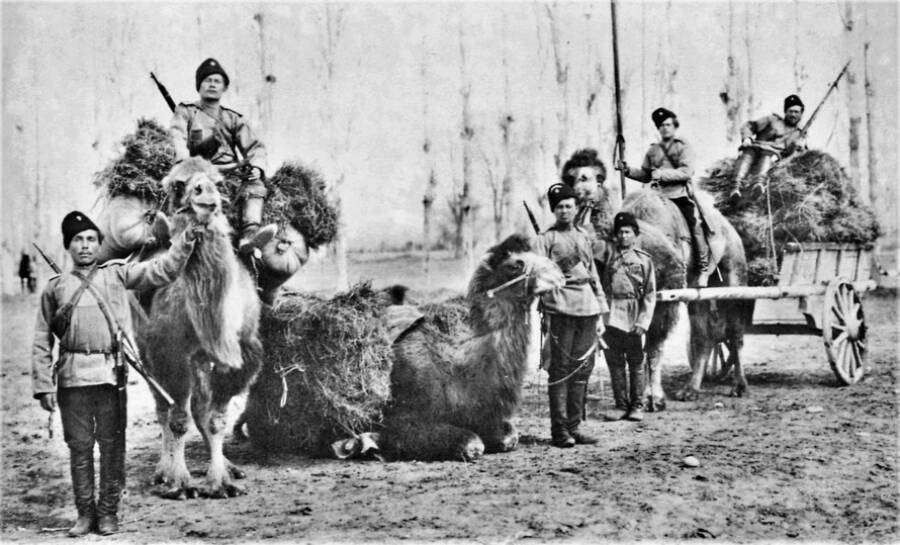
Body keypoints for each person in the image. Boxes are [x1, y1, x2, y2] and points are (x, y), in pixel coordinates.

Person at [32, 211, 198, 536]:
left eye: (91, 239)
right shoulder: (56, 288)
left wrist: (185, 242)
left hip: (110, 376)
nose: (85, 246)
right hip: (71, 379)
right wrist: (43, 386)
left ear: (99, 244)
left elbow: (162, 269)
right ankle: (84, 515)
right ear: (68, 246)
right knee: (79, 449)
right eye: (78, 240)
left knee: (112, 448)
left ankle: (108, 514)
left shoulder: (118, 274)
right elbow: (41, 339)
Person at [169, 57, 276, 254]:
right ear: (199, 85)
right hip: (199, 173)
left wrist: (256, 167)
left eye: (217, 81)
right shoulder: (186, 112)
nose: (212, 84)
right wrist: (186, 164)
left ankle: (250, 235)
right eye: (207, 80)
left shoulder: (232, 118)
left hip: (230, 173)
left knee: (255, 186)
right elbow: (177, 136)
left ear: (224, 87)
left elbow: (255, 147)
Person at [535, 183, 609, 448]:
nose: (564, 210)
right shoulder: (546, 239)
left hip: (587, 307)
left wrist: (600, 309)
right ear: (554, 211)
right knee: (560, 370)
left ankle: (575, 427)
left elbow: (593, 274)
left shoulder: (583, 236)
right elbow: (540, 277)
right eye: (559, 207)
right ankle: (559, 431)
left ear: (576, 208)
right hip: (561, 307)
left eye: (568, 205)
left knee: (582, 369)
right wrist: (548, 304)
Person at [615, 107, 711, 287]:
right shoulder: (653, 151)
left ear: (674, 126)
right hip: (655, 197)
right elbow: (645, 174)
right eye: (661, 126)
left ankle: (703, 268)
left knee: (695, 225)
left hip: (677, 196)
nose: (664, 128)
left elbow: (686, 172)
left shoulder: (683, 146)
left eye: (668, 124)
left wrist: (662, 174)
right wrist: (627, 170)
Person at [601, 212, 656, 422]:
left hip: (633, 313)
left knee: (635, 361)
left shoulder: (644, 260)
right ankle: (620, 405)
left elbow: (650, 294)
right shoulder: (609, 257)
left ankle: (637, 405)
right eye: (620, 232)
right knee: (614, 361)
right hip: (612, 313)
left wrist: (644, 321)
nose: (624, 236)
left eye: (628, 232)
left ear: (635, 235)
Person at [729, 94, 807, 201]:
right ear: (785, 112)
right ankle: (735, 188)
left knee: (767, 157)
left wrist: (798, 147)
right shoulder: (772, 120)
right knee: (747, 155)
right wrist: (747, 138)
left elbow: (797, 153)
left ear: (801, 114)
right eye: (790, 111)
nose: (793, 115)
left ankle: (758, 185)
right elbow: (749, 126)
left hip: (772, 154)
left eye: (796, 112)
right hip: (755, 147)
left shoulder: (799, 133)